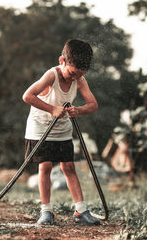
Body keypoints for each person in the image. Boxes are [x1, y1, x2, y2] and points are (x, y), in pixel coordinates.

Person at [23, 39, 100, 225]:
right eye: (72, 73)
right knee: (45, 167)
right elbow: (27, 96)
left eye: (80, 75)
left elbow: (93, 104)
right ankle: (46, 211)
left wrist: (78, 110)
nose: (75, 78)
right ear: (62, 61)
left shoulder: (79, 79)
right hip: (40, 127)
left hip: (62, 129)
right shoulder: (52, 76)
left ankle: (80, 210)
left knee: (69, 167)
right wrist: (51, 109)